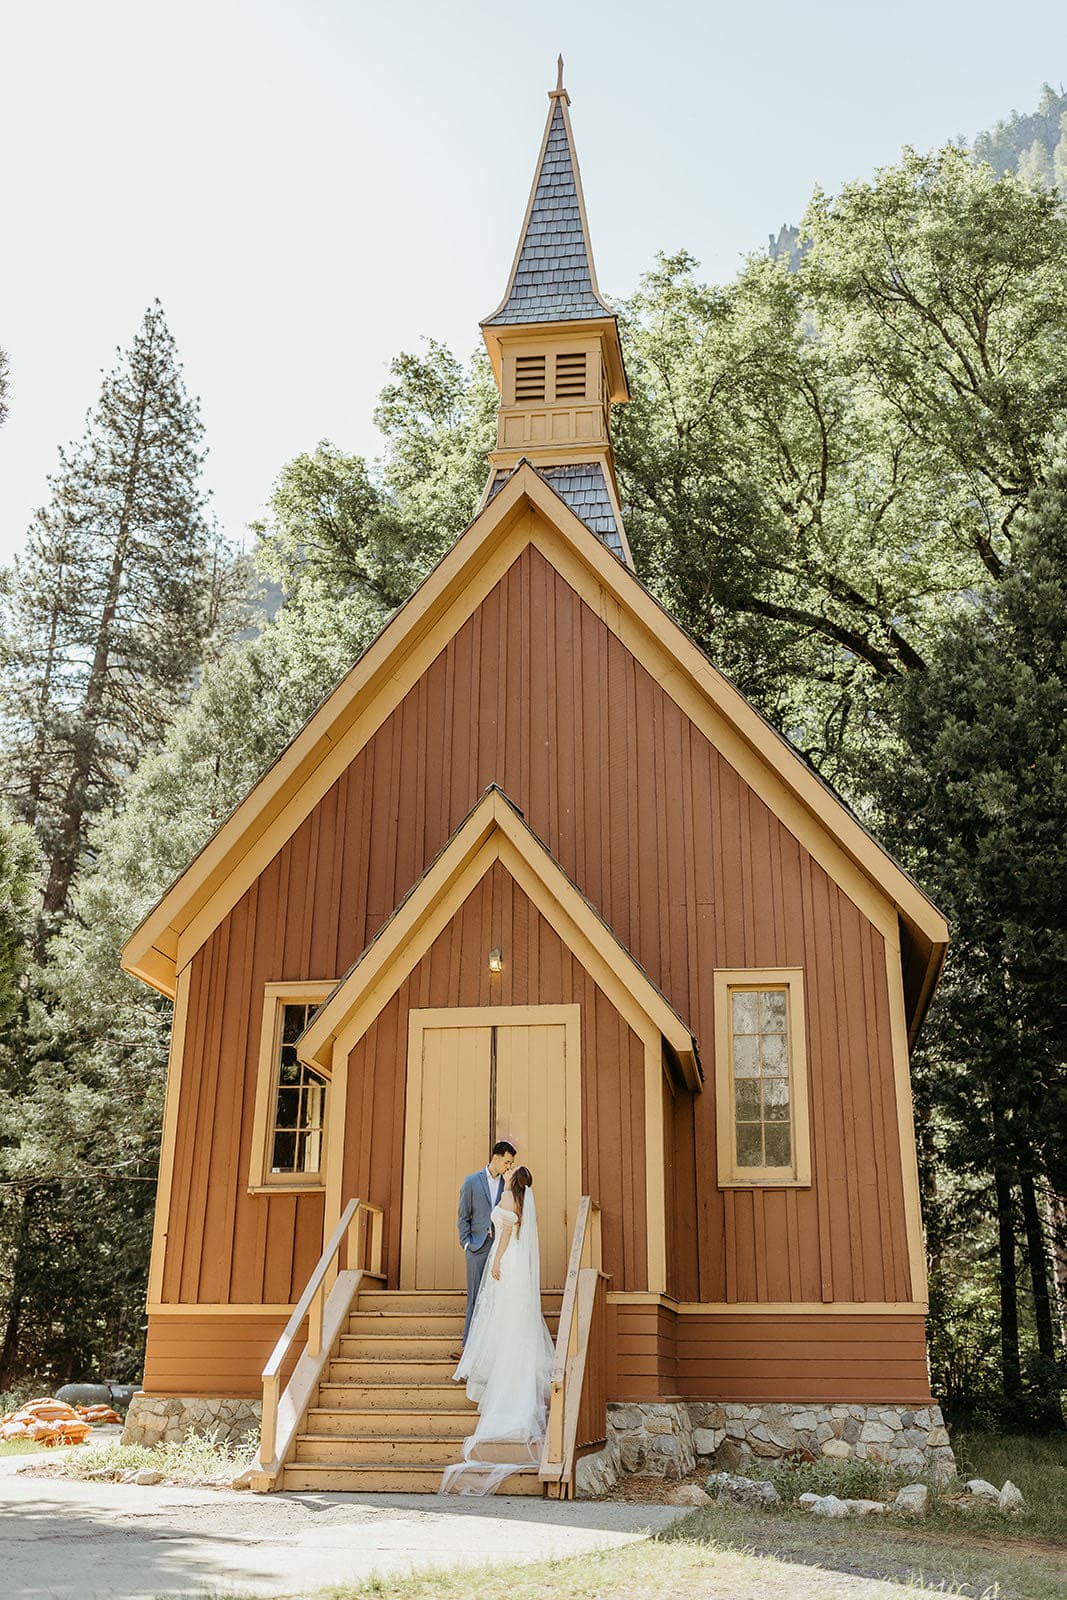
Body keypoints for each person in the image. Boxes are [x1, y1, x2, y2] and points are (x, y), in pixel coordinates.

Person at [439, 1165, 555, 1495]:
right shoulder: (523, 1201)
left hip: (507, 1259)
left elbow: (503, 1234)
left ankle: (503, 1377)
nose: (508, 1170)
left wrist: (497, 1261)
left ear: (514, 1180)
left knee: (501, 1318)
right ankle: (517, 1370)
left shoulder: (506, 1197)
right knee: (515, 1320)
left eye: (511, 1170)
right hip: (520, 1265)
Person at [457, 1140, 515, 1345]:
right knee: (475, 1297)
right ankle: (468, 1346)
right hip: (476, 1248)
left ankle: (490, 1347)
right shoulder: (471, 1182)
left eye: (511, 1163)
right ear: (495, 1158)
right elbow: (463, 1217)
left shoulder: (507, 1184)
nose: (509, 1167)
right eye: (507, 1162)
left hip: (499, 1249)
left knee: (495, 1297)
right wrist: (466, 1244)